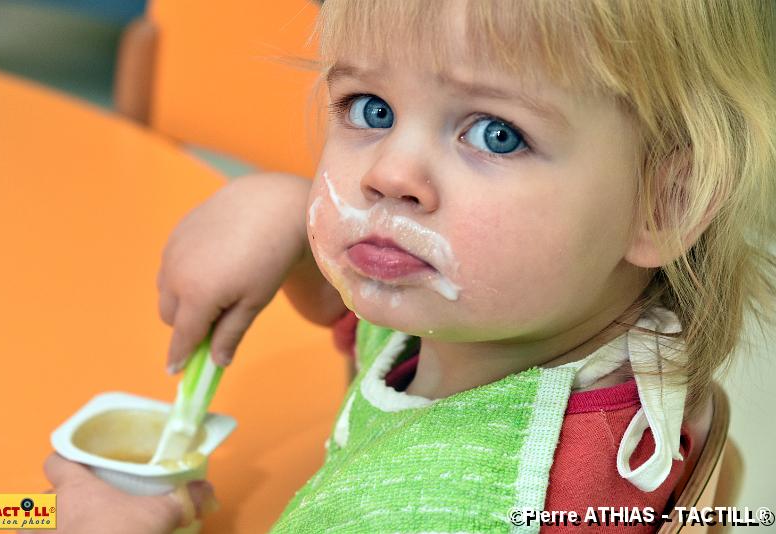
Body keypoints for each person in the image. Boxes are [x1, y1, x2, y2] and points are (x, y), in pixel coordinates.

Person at [40, 0, 775, 532]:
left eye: (495, 133)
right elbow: (377, 341)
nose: (388, 173)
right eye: (370, 109)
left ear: (668, 203)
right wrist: (286, 220)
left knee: (9, 512)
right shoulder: (538, 330)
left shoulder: (428, 513)